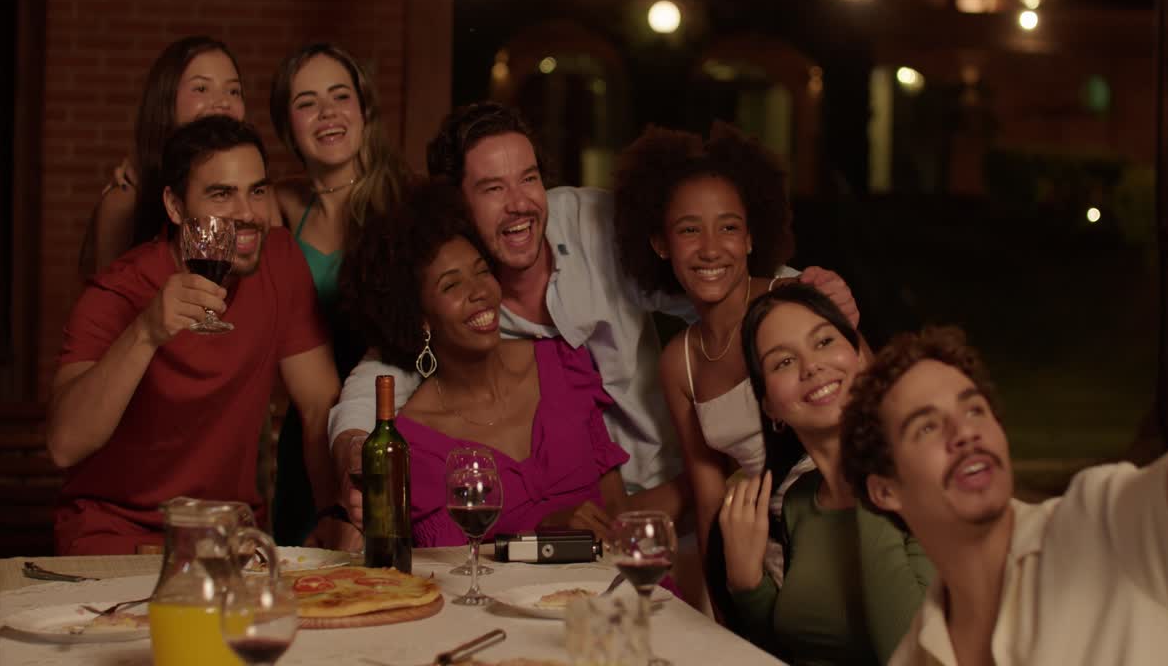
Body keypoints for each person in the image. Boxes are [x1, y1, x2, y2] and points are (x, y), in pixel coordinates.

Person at [329, 102, 858, 520]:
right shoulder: (465, 293)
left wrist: (806, 293)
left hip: (687, 488)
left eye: (529, 178)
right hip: (578, 520)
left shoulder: (595, 225)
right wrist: (352, 444)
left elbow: (709, 268)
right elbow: (389, 362)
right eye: (493, 188)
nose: (519, 203)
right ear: (457, 207)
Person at [839, 314, 1168, 665]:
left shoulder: (1107, 522)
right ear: (886, 491)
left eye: (974, 408)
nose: (964, 431)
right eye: (927, 426)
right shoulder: (916, 657)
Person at [48, 116, 341, 555]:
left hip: (228, 538)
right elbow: (64, 446)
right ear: (174, 205)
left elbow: (319, 402)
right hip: (117, 537)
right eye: (222, 194)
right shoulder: (118, 292)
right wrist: (145, 332)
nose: (247, 214)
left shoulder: (280, 259)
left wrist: (330, 515)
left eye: (257, 191)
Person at [342, 184, 654, 545]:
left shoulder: (563, 365)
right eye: (451, 286)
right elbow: (441, 579)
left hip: (614, 594)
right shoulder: (411, 448)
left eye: (481, 271)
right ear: (418, 319)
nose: (480, 291)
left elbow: (617, 512)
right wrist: (541, 537)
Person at [612, 122, 862, 569]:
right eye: (689, 231)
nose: (711, 249)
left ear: (750, 237)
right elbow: (709, 502)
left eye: (728, 227)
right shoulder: (680, 362)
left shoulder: (794, 301)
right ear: (660, 244)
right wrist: (721, 616)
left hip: (848, 531)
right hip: (762, 555)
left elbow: (884, 410)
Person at [712, 284, 931, 665]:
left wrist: (869, 471)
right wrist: (748, 587)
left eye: (825, 341)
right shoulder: (797, 502)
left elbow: (912, 656)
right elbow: (789, 651)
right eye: (783, 362)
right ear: (770, 407)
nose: (811, 366)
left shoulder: (924, 485)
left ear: (860, 359)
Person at [267, 42, 408, 545]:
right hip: (305, 440)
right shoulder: (276, 205)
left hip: (389, 431)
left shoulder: (405, 206)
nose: (326, 113)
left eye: (340, 96)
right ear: (288, 127)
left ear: (364, 110)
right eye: (306, 102)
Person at [79, 36, 246, 276]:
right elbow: (107, 304)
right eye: (201, 88)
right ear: (166, 99)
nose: (223, 102)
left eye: (234, 90)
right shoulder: (127, 199)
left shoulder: (254, 198)